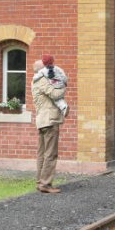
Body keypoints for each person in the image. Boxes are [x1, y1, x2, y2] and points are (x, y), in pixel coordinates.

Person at [31, 59, 66, 194]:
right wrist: (63, 83)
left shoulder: (36, 80)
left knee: (42, 154)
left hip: (42, 120)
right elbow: (56, 94)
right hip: (49, 121)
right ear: (42, 69)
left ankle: (40, 182)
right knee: (50, 154)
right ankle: (45, 184)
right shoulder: (42, 81)